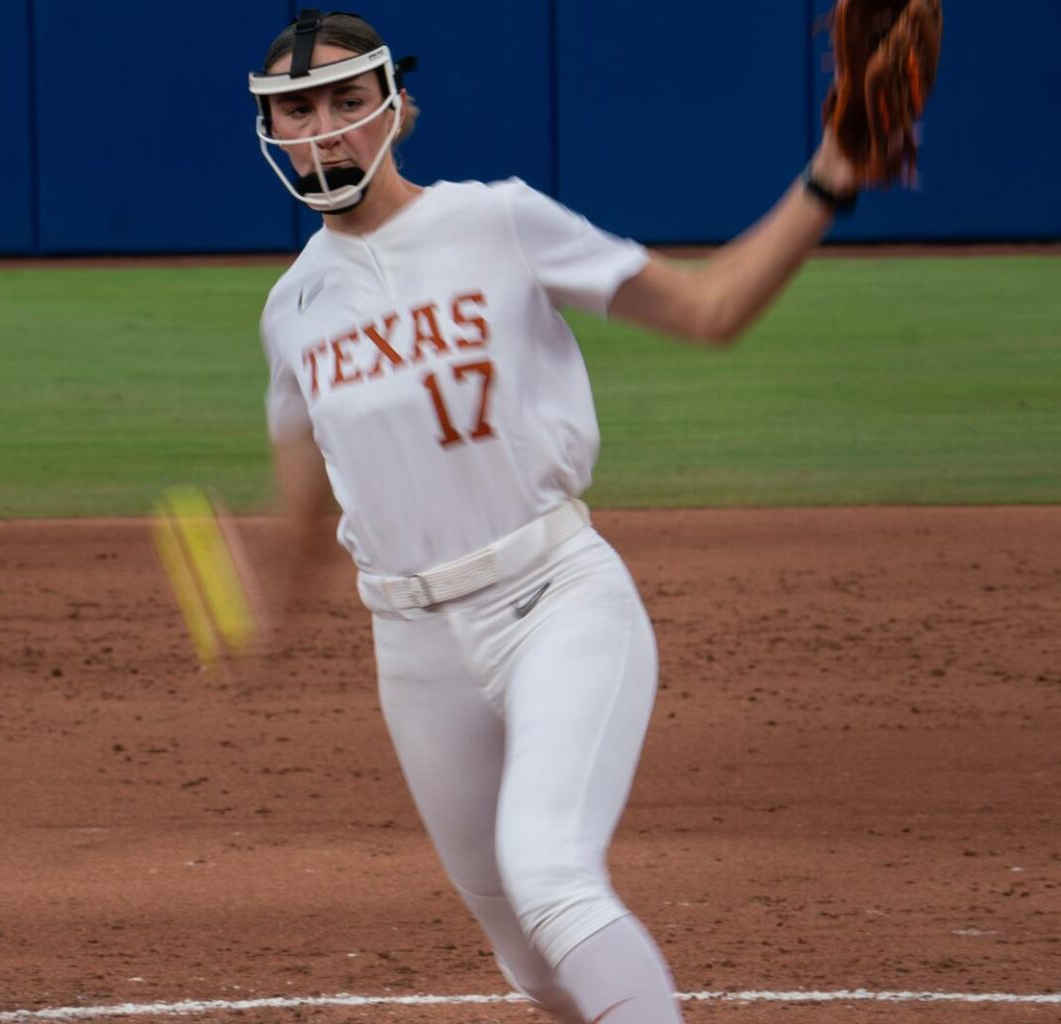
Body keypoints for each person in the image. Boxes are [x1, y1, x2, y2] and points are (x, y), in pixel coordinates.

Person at [248, 11, 867, 1023]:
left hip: (554, 599)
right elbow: (309, 512)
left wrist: (831, 176)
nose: (323, 131)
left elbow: (710, 310)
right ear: (270, 131)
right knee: (527, 957)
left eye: (347, 102)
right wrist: (264, 599)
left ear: (398, 110)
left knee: (550, 873)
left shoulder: (498, 220)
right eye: (297, 111)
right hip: (413, 650)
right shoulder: (292, 308)